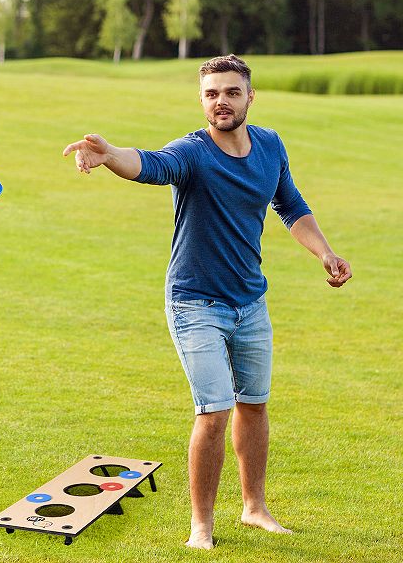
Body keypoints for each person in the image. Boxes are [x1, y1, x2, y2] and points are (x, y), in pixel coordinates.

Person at [62, 54, 351, 550]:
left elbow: (291, 204)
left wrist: (324, 251)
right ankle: (201, 525)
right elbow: (151, 165)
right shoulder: (193, 152)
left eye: (231, 92)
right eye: (212, 93)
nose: (221, 101)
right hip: (195, 303)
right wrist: (109, 154)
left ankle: (254, 508)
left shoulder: (270, 145)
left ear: (249, 97)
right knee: (213, 412)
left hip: (250, 301)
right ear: (202, 100)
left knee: (254, 406)